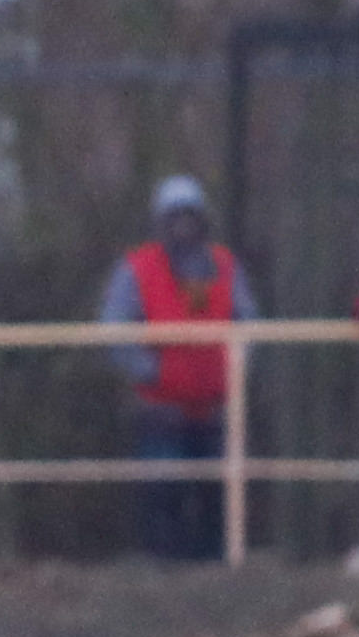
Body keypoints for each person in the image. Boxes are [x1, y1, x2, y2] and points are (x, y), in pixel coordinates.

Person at [99, 175, 253, 560]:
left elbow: (248, 322)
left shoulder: (225, 265)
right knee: (161, 488)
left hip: (214, 404)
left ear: (202, 219)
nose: (183, 224)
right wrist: (153, 371)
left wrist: (234, 369)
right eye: (175, 216)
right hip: (160, 406)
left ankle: (214, 566)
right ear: (162, 221)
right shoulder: (137, 268)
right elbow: (114, 329)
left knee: (216, 491)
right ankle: (162, 564)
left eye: (190, 215)